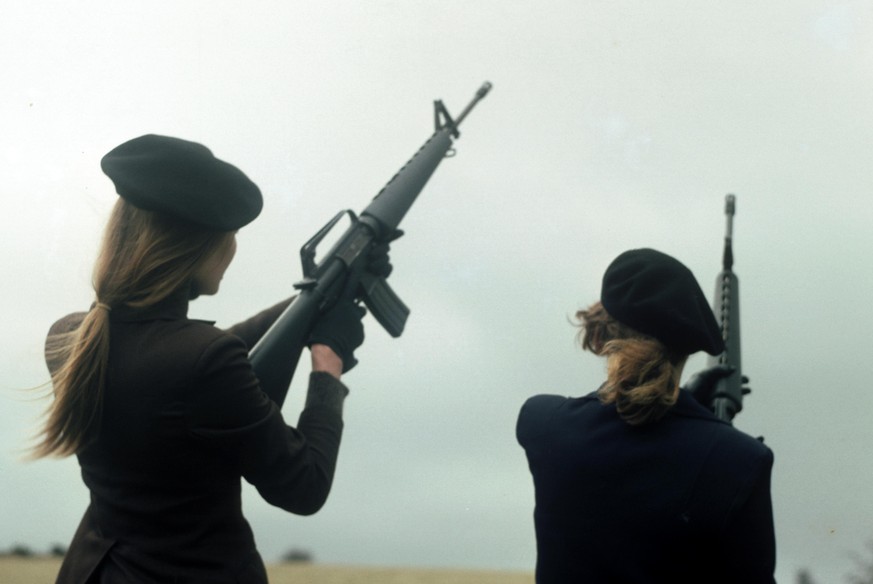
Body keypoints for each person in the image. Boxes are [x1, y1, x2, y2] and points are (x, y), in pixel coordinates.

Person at [33, 134, 382, 583]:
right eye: (231, 233)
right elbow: (304, 486)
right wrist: (327, 365)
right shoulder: (203, 361)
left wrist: (311, 302)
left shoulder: (70, 338)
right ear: (197, 246)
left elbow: (181, 361)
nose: (233, 249)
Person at [516, 248, 776, 583]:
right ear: (687, 349)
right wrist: (699, 420)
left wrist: (686, 410)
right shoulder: (742, 461)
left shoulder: (542, 423)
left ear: (603, 334)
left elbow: (629, 438)